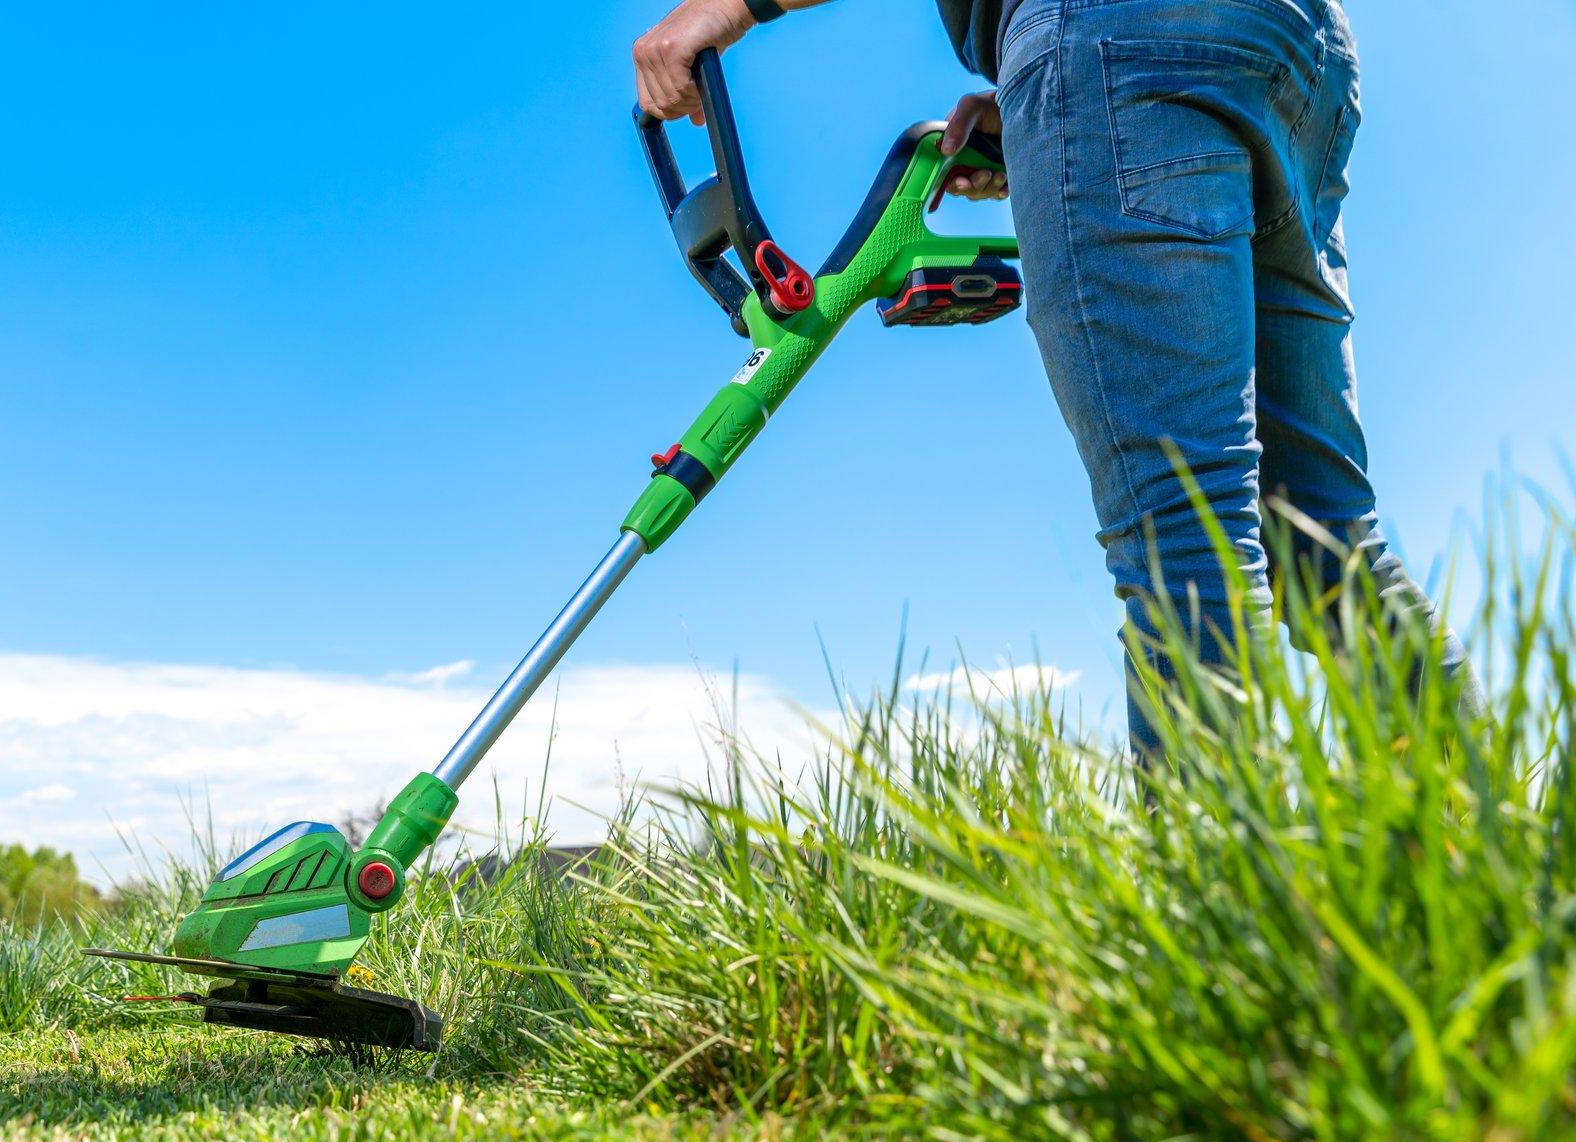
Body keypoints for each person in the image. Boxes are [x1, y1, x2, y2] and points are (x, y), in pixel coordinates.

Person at [633, 0, 1483, 755]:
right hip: (1293, 45)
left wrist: (733, 4)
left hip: (1116, 34)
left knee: (1185, 528)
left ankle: (1223, 906)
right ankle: (1491, 856)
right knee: (1320, 535)